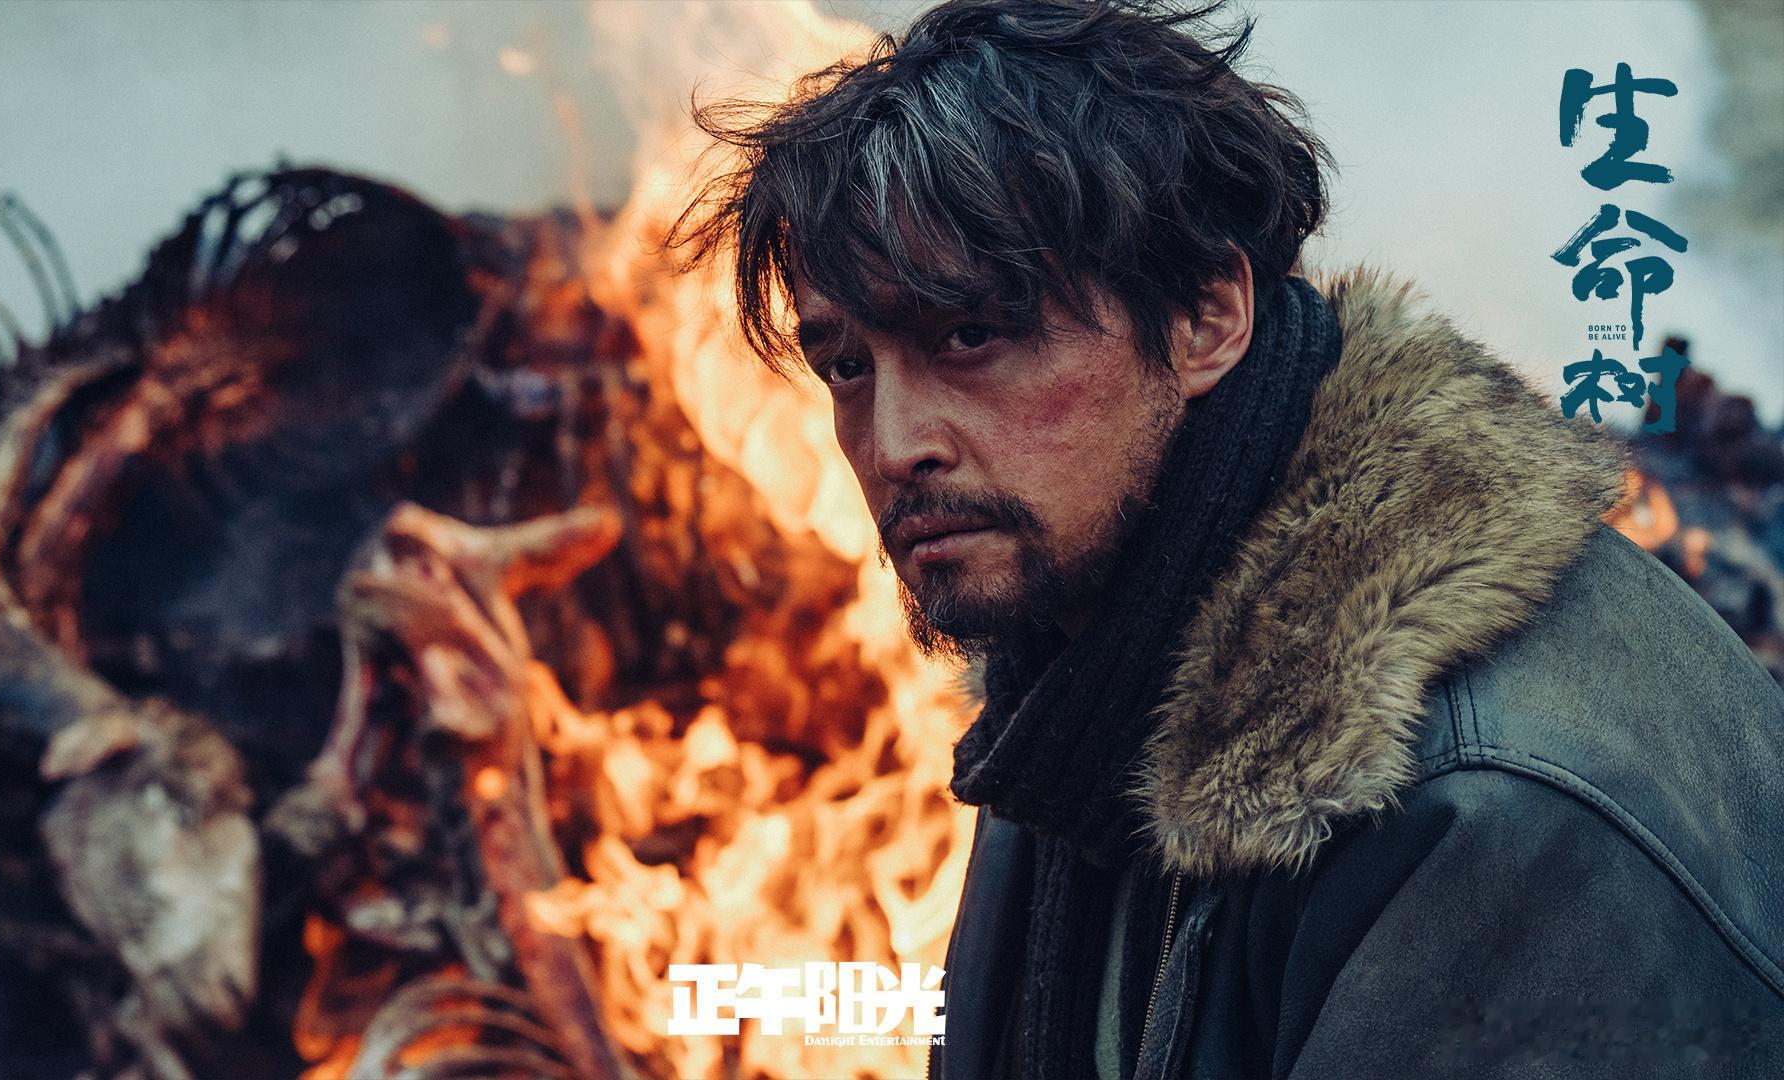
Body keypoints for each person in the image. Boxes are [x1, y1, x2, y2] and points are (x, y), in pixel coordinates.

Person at [669, 1, 1784, 1076]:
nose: (894, 443)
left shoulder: (1494, 803)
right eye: (846, 366)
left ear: (1207, 318)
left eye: (970, 334)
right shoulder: (1079, 690)